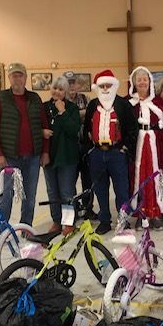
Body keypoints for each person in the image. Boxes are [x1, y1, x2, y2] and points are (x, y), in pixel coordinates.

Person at [0, 62, 49, 230]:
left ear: (25, 77)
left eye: (20, 75)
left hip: (32, 157)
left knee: (29, 196)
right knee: (5, 195)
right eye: (14, 75)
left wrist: (45, 152)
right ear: (9, 78)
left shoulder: (35, 99)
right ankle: (0, 231)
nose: (17, 78)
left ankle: (26, 228)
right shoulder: (0, 98)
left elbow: (44, 127)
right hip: (9, 158)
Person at [84, 70, 137, 235]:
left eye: (108, 85)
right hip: (98, 153)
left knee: (121, 188)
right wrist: (89, 149)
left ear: (113, 85)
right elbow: (86, 128)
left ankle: (122, 220)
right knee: (100, 188)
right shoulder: (92, 104)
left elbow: (132, 128)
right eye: (102, 85)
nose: (105, 88)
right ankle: (104, 220)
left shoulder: (123, 104)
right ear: (97, 87)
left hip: (116, 152)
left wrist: (125, 148)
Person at [128, 66, 163, 229]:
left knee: (156, 176)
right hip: (138, 144)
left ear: (150, 82)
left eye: (145, 79)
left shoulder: (158, 102)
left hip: (156, 144)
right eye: (138, 79)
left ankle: (156, 213)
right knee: (138, 178)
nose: (142, 82)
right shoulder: (129, 103)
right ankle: (141, 214)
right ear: (134, 82)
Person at [42, 76, 80, 235]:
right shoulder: (43, 108)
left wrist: (62, 112)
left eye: (61, 89)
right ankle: (56, 221)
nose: (57, 92)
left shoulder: (71, 109)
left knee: (66, 191)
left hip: (67, 157)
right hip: (49, 155)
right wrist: (41, 132)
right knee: (52, 191)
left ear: (65, 92)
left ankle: (69, 222)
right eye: (55, 88)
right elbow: (37, 125)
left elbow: (73, 130)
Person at [65, 70, 98, 220]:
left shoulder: (86, 99)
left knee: (88, 180)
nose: (71, 86)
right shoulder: (59, 100)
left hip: (85, 146)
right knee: (68, 182)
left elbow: (92, 116)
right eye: (68, 83)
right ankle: (72, 211)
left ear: (78, 85)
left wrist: (74, 116)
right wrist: (80, 114)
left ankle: (88, 209)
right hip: (68, 148)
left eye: (73, 83)